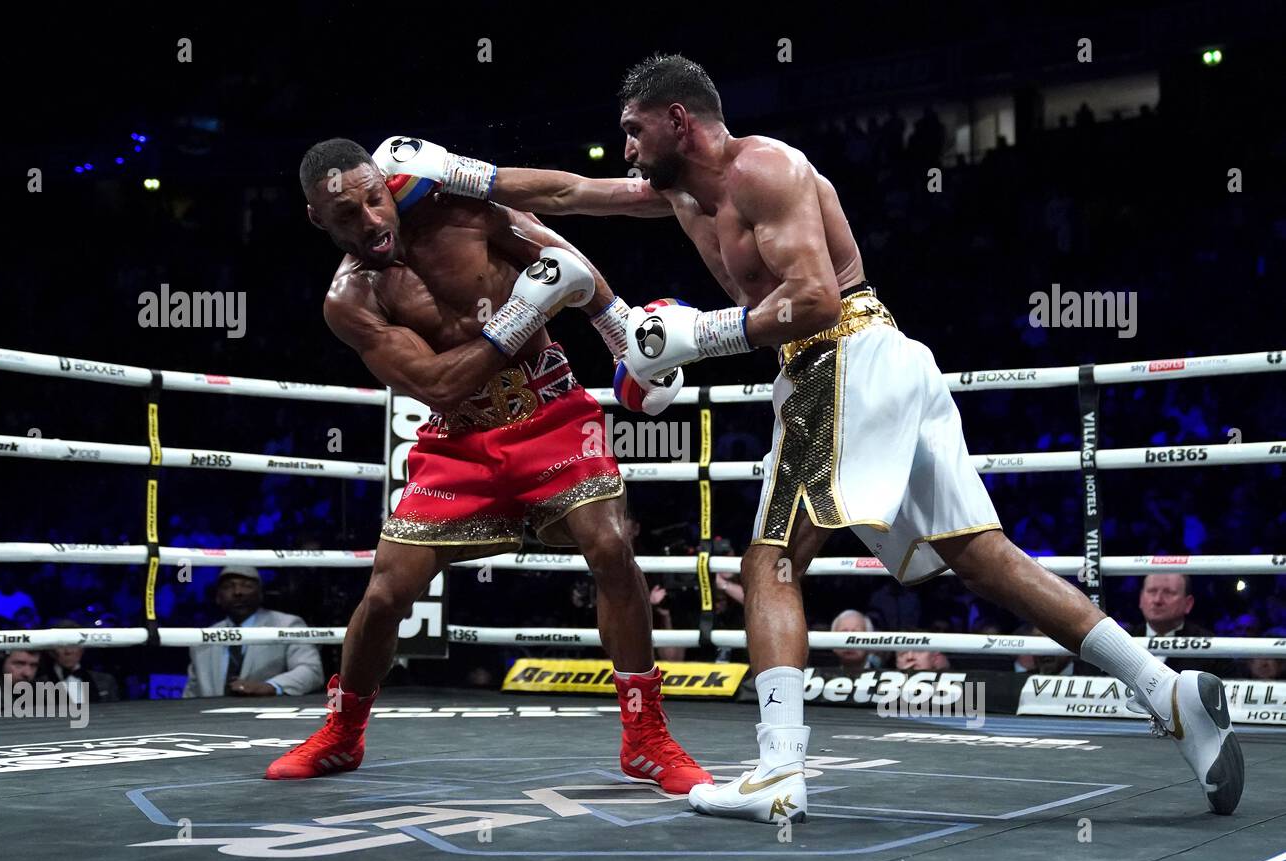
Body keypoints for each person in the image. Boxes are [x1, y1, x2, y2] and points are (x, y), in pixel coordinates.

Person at [412, 54, 1243, 820]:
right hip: (867, 362)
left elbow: (812, 300)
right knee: (987, 557)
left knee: (769, 558)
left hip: (840, 354)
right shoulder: (680, 191)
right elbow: (564, 194)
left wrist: (697, 337)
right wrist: (460, 173)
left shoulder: (764, 170)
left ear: (677, 119)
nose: (624, 149)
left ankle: (779, 771)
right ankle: (1168, 692)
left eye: (633, 130)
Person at [266, 138, 710, 793]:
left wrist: (618, 331)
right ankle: (342, 731)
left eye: (371, 199)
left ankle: (646, 738)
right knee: (388, 590)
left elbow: (560, 256)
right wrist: (523, 311)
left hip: (551, 411)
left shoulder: (457, 209)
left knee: (611, 545)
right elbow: (439, 387)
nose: (369, 221)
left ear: (386, 185)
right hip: (459, 437)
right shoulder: (350, 300)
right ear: (318, 222)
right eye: (346, 218)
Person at [184, 567, 324, 698]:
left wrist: (270, 686)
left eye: (247, 585)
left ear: (261, 594)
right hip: (210, 721)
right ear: (218, 597)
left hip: (268, 719)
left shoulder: (287, 625)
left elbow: (312, 671)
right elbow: (191, 693)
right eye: (228, 586)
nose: (238, 592)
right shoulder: (202, 638)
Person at [1131, 574, 1224, 677]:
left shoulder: (1213, 648)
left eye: (1168, 593)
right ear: (1141, 599)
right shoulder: (1123, 639)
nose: (1157, 600)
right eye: (1152, 591)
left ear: (1188, 603)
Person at [37, 621, 120, 702]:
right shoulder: (38, 685)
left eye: (73, 644)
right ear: (51, 651)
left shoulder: (106, 681)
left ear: (82, 649)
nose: (68, 651)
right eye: (61, 645)